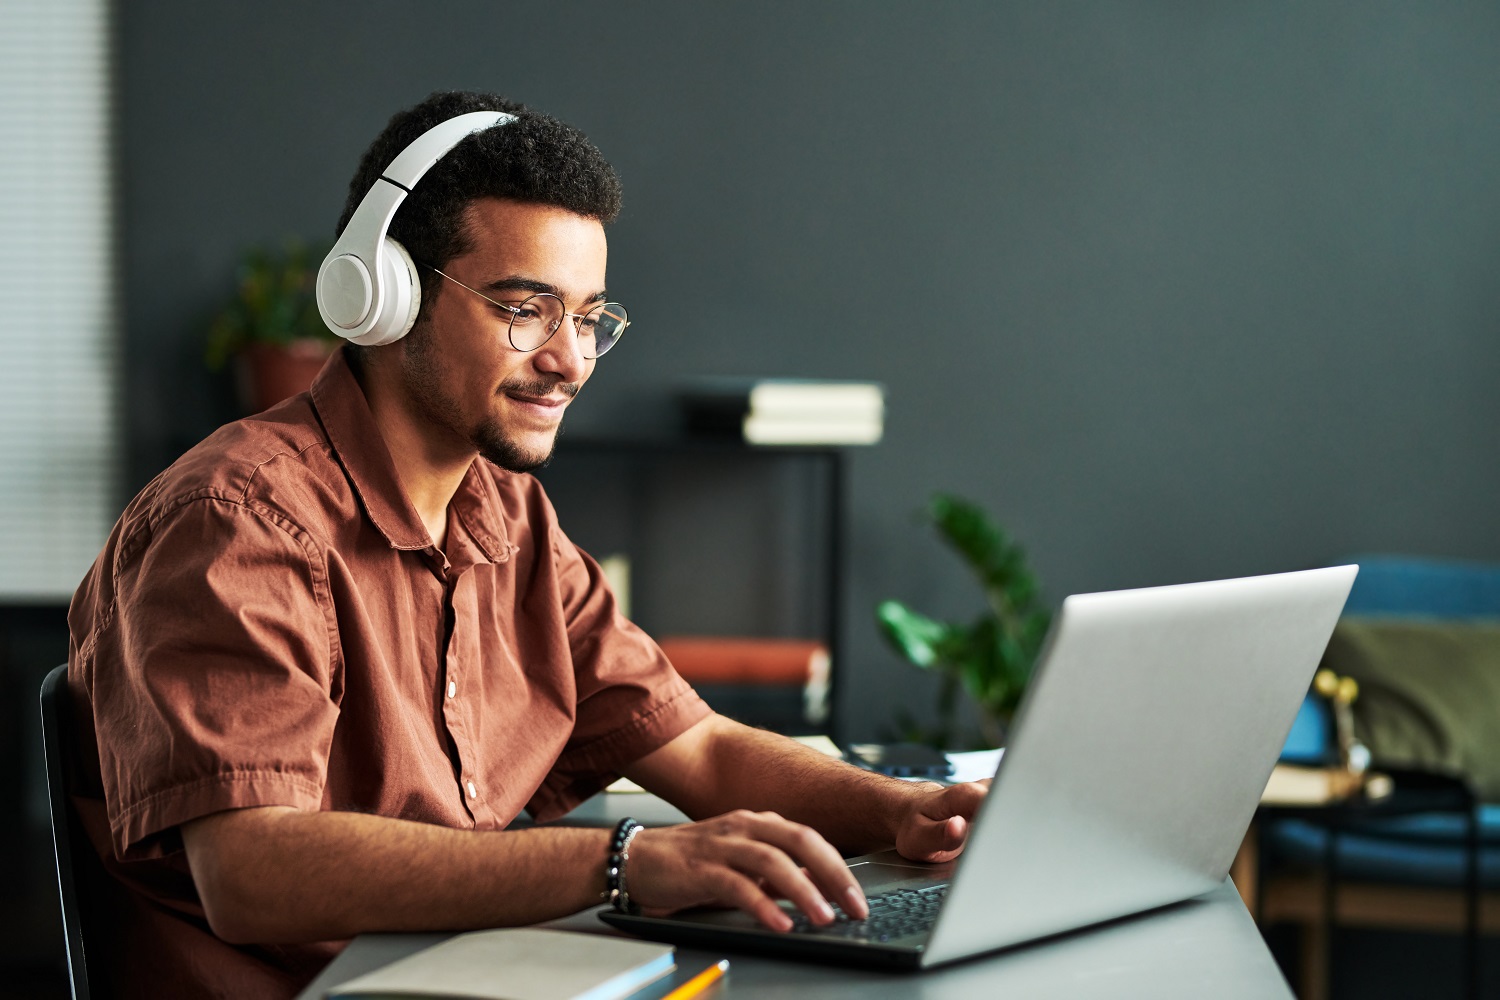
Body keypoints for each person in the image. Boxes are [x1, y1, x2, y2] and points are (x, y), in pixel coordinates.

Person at [66, 91, 988, 999]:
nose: (570, 359)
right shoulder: (236, 519)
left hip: (476, 974)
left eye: (588, 317)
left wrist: (909, 814)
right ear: (384, 296)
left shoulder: (510, 517)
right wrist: (625, 862)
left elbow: (697, 750)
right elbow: (250, 866)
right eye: (526, 309)